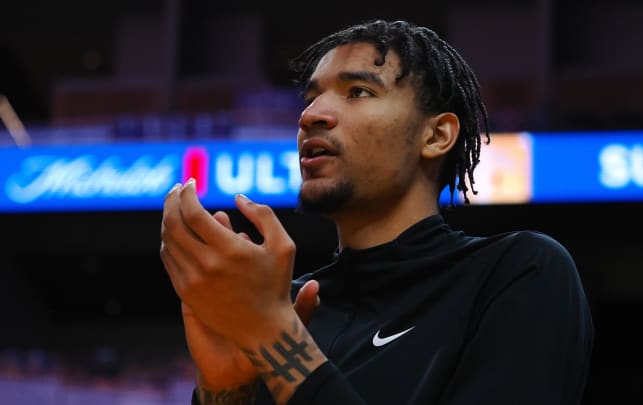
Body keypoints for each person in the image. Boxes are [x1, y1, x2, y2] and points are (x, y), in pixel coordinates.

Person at [160, 19, 594, 405]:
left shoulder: (518, 271)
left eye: (358, 92)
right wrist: (224, 389)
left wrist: (273, 337)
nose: (312, 115)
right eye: (311, 98)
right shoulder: (285, 305)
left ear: (436, 135)